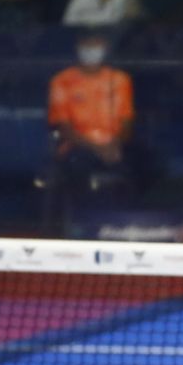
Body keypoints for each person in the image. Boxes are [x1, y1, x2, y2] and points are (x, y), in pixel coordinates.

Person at [46, 31, 135, 230]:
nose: (91, 52)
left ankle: (123, 225)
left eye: (96, 46)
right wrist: (97, 148)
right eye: (87, 46)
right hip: (76, 146)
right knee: (79, 166)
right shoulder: (62, 81)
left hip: (113, 146)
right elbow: (63, 127)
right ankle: (82, 226)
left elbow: (127, 121)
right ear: (78, 47)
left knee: (144, 163)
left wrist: (115, 144)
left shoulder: (119, 79)